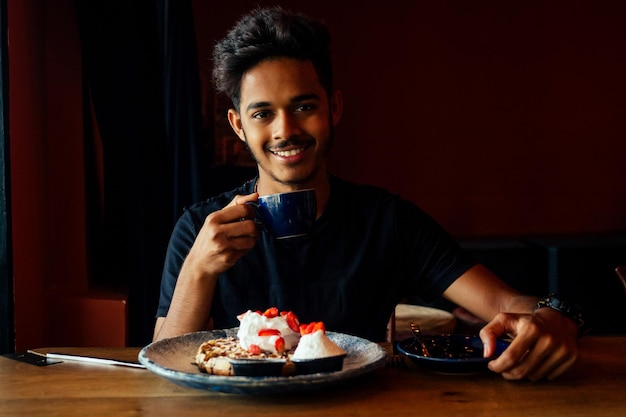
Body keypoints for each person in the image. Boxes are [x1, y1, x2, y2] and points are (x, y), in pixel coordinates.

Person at [153, 6, 580, 381]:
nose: (285, 130)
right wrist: (198, 270)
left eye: (304, 106)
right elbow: (162, 363)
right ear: (238, 125)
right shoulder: (201, 227)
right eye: (263, 113)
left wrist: (554, 317)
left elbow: (511, 304)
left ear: (333, 109)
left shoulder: (387, 221)